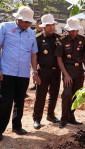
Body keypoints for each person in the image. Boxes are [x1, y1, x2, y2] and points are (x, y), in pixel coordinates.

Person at [0, 6, 40, 141]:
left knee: (19, 101)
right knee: (5, 101)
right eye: (25, 22)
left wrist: (35, 72)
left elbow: (33, 54)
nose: (27, 24)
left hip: (23, 73)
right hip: (7, 71)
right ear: (17, 18)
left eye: (29, 22)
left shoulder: (31, 34)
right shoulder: (5, 27)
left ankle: (17, 126)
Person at [55, 17, 85, 128]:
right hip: (67, 70)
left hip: (79, 71)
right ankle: (63, 118)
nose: (74, 32)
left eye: (76, 30)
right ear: (68, 30)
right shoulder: (61, 41)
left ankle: (71, 117)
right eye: (72, 30)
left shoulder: (82, 39)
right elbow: (59, 59)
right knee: (67, 94)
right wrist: (66, 75)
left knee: (77, 95)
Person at [33, 14, 61, 129]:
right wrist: (34, 72)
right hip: (43, 71)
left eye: (53, 25)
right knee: (40, 95)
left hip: (56, 71)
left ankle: (50, 115)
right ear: (44, 26)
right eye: (48, 25)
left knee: (54, 94)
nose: (51, 27)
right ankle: (37, 118)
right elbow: (34, 56)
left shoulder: (59, 39)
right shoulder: (38, 39)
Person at [30, 19, 43, 91]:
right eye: (40, 23)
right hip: (34, 53)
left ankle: (39, 84)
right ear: (36, 24)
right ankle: (35, 84)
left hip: (41, 53)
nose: (41, 24)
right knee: (34, 68)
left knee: (39, 69)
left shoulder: (43, 32)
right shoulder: (33, 32)